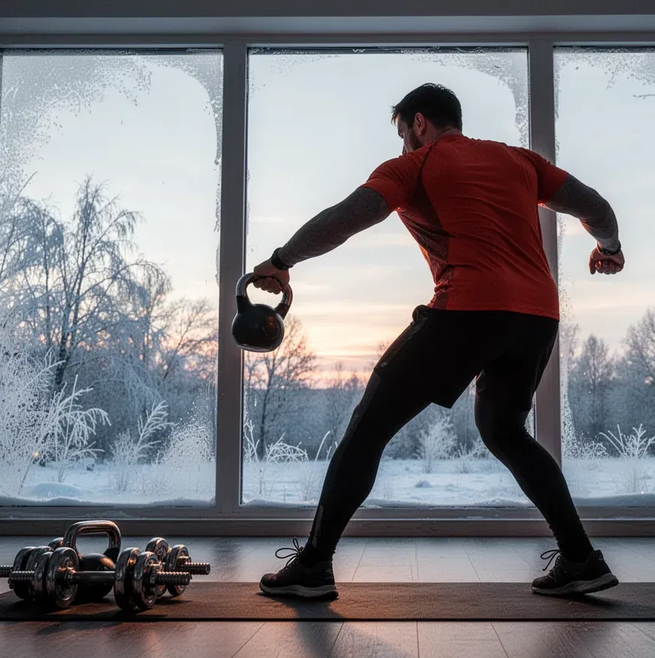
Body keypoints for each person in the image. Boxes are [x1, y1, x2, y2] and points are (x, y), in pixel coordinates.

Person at [250, 83, 625, 599]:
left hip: (468, 307)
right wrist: (608, 247)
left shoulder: (415, 165)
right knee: (504, 429)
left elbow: (346, 219)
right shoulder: (520, 161)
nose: (405, 142)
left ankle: (314, 565)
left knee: (368, 427)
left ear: (418, 123)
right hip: (537, 315)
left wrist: (281, 259)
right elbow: (596, 205)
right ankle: (581, 557)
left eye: (404, 132)